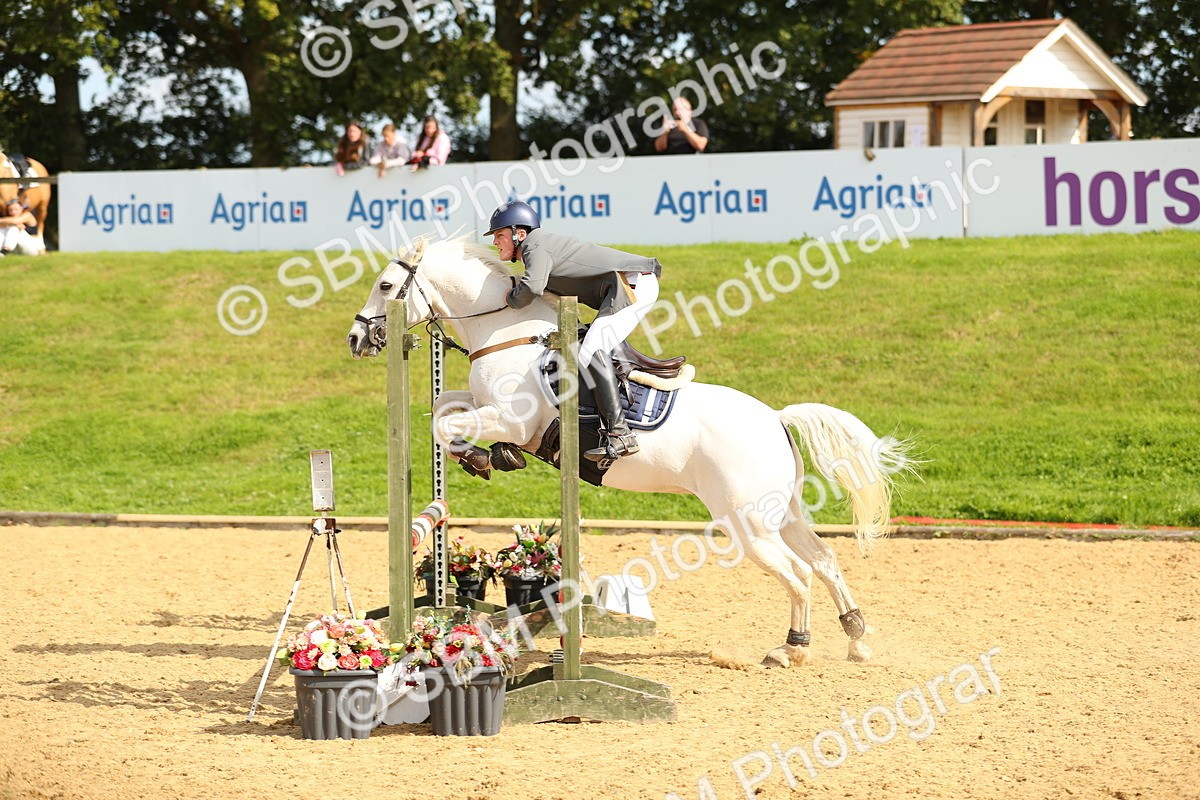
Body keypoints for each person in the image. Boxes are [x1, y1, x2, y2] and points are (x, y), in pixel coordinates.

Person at [484, 200, 662, 462]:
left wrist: (509, 298)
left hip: (632, 284)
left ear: (519, 234)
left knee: (592, 350)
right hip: (627, 284)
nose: (495, 242)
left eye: (499, 235)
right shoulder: (536, 250)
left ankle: (620, 434)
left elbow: (531, 289)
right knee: (588, 347)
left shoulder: (535, 245)